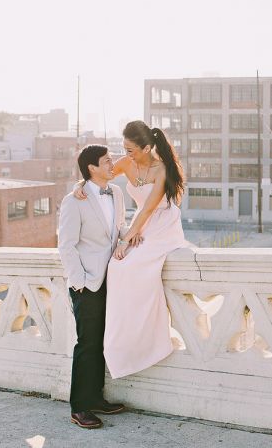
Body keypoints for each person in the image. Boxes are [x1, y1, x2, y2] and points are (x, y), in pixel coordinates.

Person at [73, 120, 186, 379]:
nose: (125, 156)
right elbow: (99, 177)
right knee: (117, 268)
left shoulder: (162, 170)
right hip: (141, 224)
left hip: (162, 224)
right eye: (124, 149)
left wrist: (125, 241)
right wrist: (79, 186)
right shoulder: (127, 164)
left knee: (130, 266)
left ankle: (148, 341)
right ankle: (122, 341)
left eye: (131, 150)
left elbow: (147, 209)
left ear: (147, 148)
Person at [58, 144, 133, 428]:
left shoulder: (115, 192)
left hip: (112, 279)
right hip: (87, 283)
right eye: (107, 161)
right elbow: (66, 246)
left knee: (103, 341)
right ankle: (79, 407)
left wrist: (131, 235)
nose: (113, 165)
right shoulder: (73, 200)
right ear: (92, 168)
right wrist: (79, 283)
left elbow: (119, 225)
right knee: (87, 344)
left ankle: (96, 398)